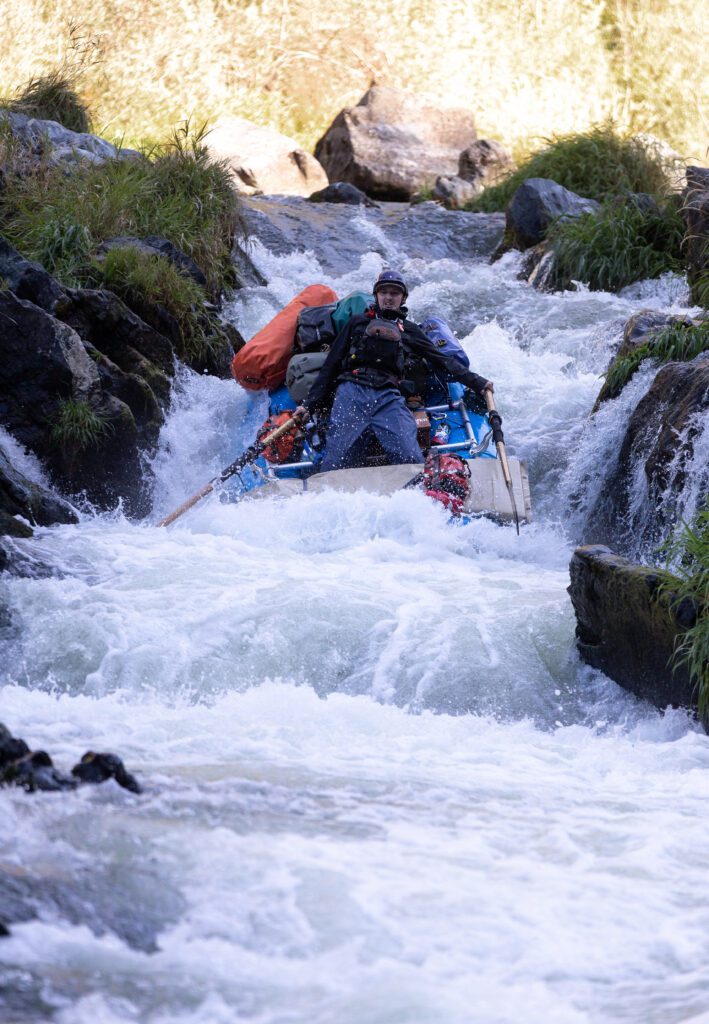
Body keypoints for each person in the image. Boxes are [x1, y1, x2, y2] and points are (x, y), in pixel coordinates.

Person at [294, 270, 493, 472]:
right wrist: (308, 405)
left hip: (388, 397)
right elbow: (331, 365)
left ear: (403, 298)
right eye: (384, 292)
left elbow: (443, 360)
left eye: (395, 293)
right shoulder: (357, 323)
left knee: (410, 459)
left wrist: (479, 383)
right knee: (335, 466)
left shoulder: (410, 330)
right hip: (351, 393)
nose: (389, 298)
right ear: (376, 296)